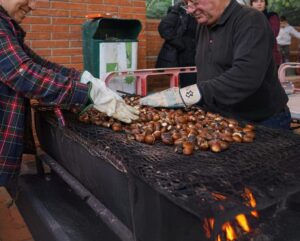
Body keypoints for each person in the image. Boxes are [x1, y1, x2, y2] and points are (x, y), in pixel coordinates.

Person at [0, 0, 139, 187]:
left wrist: (83, 78)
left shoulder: (6, 26)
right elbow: (22, 73)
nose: (33, 6)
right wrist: (88, 94)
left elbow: (39, 65)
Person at [140, 0, 291, 130]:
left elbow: (245, 76)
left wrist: (188, 95)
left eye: (194, 2)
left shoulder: (251, 20)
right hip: (224, 120)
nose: (190, 10)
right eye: (187, 4)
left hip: (262, 121)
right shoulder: (204, 24)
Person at [155, 0, 197, 68]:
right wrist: (180, 45)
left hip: (195, 57)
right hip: (181, 58)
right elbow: (164, 29)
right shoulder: (177, 11)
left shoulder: (198, 14)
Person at [250, 0, 282, 68]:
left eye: (262, 1)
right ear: (251, 4)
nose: (259, 3)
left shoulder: (272, 16)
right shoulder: (246, 18)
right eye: (255, 1)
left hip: (271, 57)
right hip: (251, 57)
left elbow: (273, 33)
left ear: (265, 3)